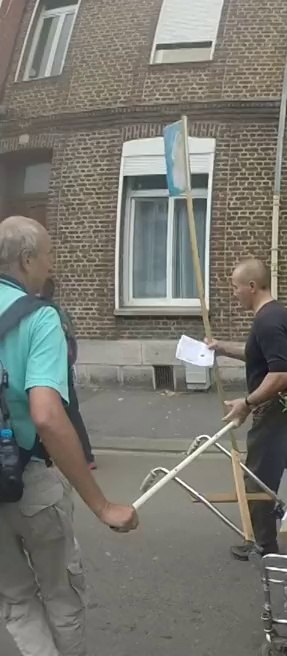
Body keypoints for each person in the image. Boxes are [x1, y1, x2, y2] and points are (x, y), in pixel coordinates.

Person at [0, 216, 138, 656]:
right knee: (61, 594)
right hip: (29, 478)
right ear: (27, 260)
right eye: (49, 255)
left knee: (16, 600)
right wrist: (102, 504)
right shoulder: (41, 318)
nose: (52, 265)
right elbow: (47, 416)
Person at [207, 259, 287, 560]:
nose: (234, 293)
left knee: (256, 480)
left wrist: (247, 402)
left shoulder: (267, 321)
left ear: (251, 286)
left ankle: (264, 545)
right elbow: (260, 356)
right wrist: (221, 347)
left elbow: (282, 373)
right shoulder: (274, 315)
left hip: (274, 412)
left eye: (235, 287)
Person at [40, 277, 95, 469]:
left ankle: (68, 458)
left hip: (53, 370)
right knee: (72, 413)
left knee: (50, 414)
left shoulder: (43, 314)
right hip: (65, 368)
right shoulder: (61, 312)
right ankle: (87, 457)